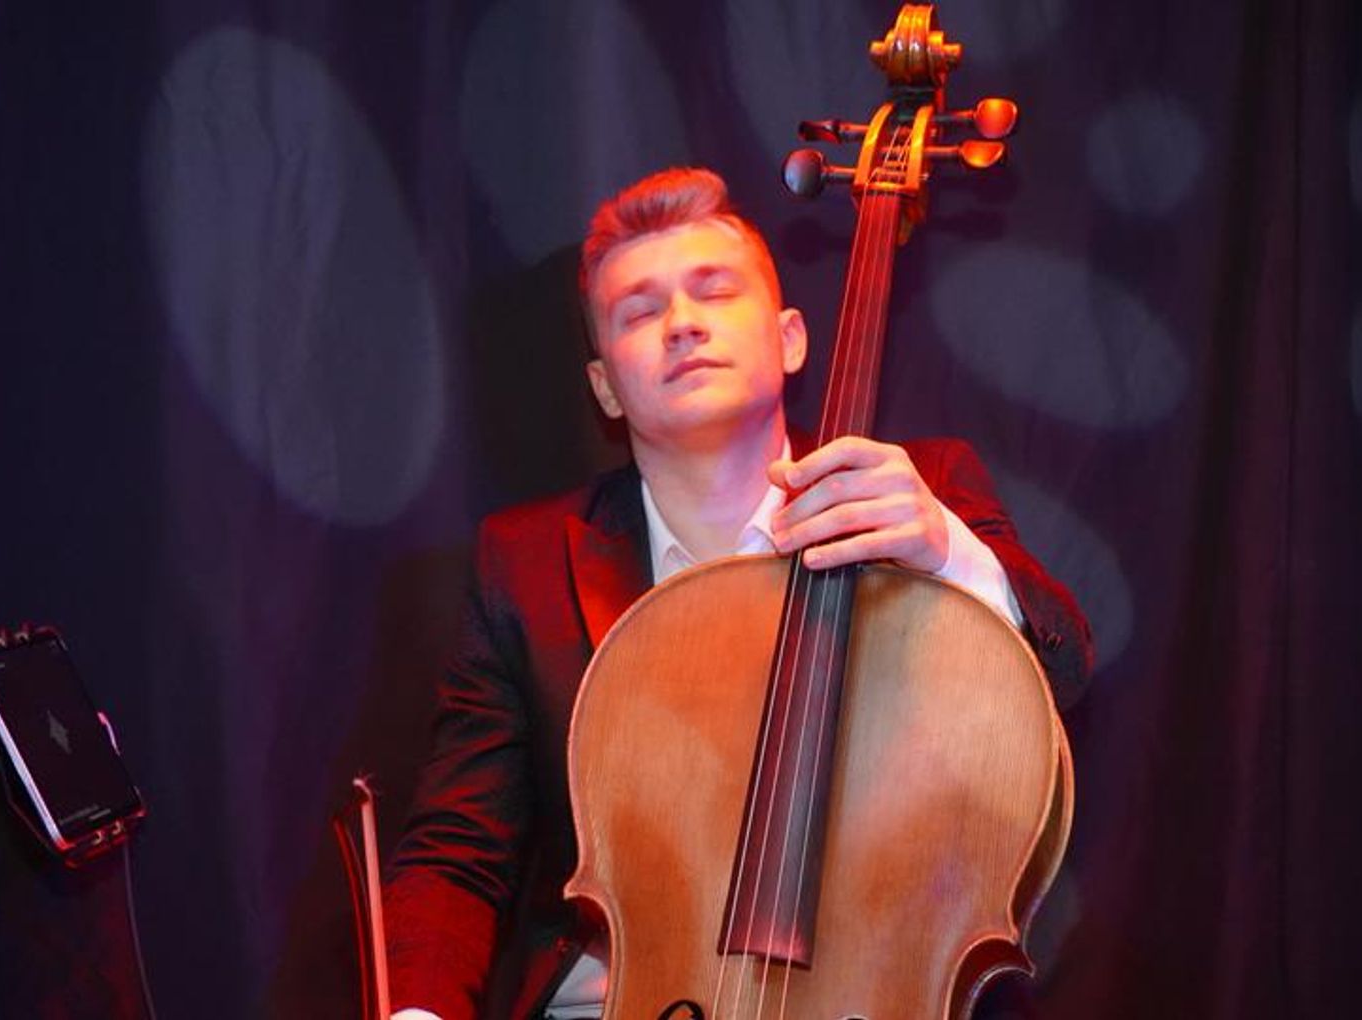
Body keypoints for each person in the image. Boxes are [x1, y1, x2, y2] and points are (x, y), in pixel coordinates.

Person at [382, 167, 1091, 1020]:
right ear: (605, 387)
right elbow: (459, 852)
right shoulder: (522, 561)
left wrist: (950, 557)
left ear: (791, 340)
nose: (682, 324)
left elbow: (1062, 676)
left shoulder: (922, 491)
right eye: (639, 312)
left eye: (714, 292)